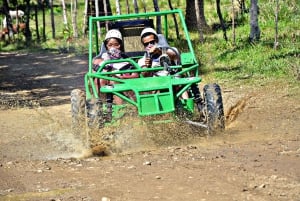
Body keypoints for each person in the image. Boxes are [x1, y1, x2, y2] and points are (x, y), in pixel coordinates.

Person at [92, 29, 137, 104]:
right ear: (106, 46)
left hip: (121, 84)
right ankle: (100, 104)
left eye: (116, 44)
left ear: (120, 45)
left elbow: (135, 74)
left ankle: (120, 107)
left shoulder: (126, 61)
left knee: (114, 82)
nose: (113, 48)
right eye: (110, 45)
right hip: (104, 84)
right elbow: (93, 72)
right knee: (99, 80)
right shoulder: (101, 60)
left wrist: (122, 77)